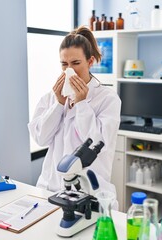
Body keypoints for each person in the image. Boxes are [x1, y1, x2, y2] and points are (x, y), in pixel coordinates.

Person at [28, 26, 121, 208]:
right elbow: (41, 138)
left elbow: (97, 144)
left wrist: (81, 103)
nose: (69, 70)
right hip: (50, 189)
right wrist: (58, 104)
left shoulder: (108, 99)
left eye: (76, 63)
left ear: (90, 61)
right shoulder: (51, 97)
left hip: (89, 192)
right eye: (64, 64)